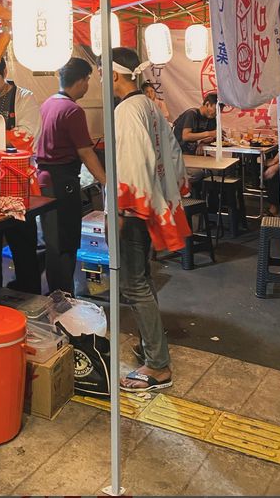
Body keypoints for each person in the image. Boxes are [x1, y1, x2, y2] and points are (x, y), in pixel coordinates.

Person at [108, 47, 190, 393]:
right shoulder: (149, 106)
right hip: (152, 201)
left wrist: (126, 210)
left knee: (133, 284)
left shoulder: (127, 110)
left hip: (135, 208)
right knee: (142, 279)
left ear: (114, 76)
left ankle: (157, 367)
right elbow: (173, 153)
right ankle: (151, 347)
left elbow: (132, 161)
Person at [36, 57, 107, 294]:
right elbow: (86, 152)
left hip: (44, 180)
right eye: (87, 79)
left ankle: (57, 295)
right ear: (81, 81)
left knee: (53, 240)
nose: (88, 85)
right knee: (64, 243)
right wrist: (106, 182)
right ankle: (62, 299)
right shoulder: (73, 110)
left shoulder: (48, 103)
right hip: (62, 182)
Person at [0, 57, 43, 294]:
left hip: (16, 182)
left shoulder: (23, 97)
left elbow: (27, 136)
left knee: (23, 243)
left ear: (4, 71)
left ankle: (30, 292)